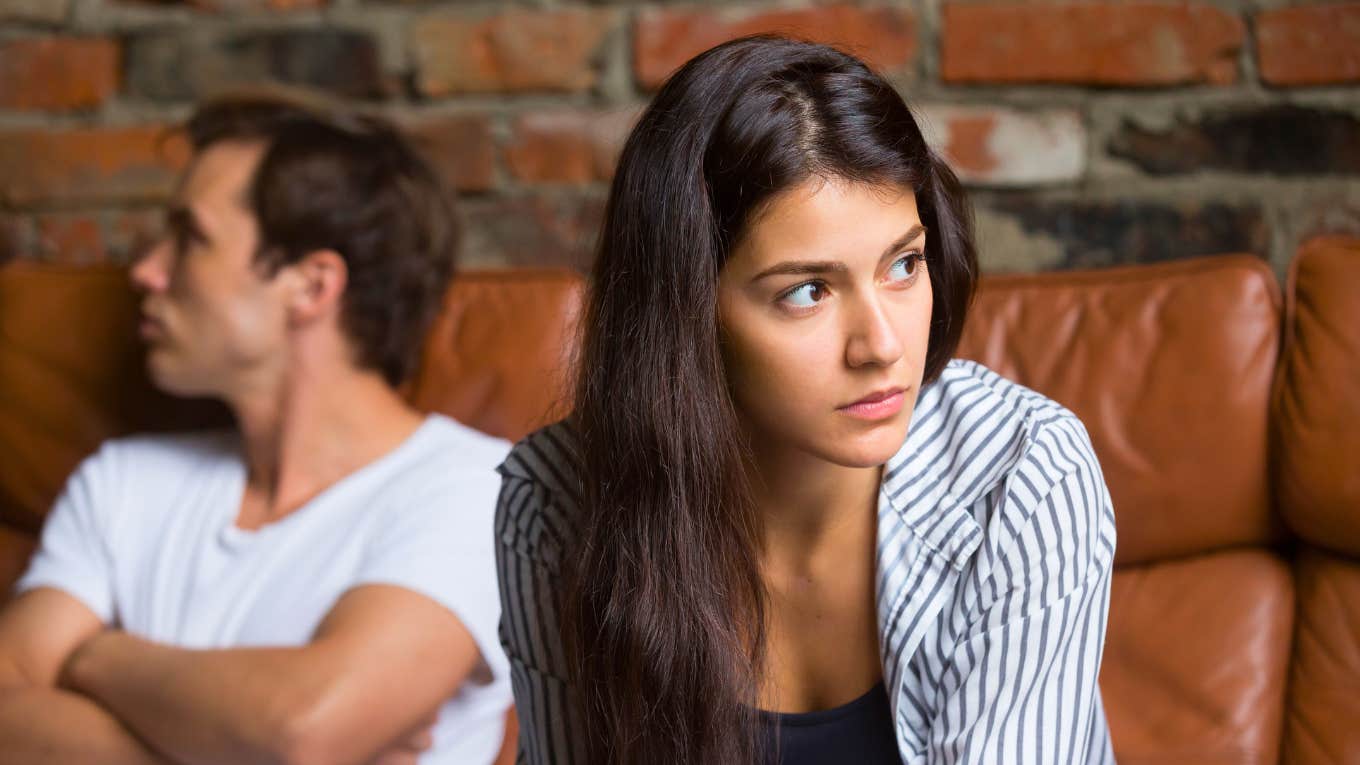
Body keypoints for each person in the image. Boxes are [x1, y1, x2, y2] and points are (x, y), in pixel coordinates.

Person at [495, 36, 1118, 765]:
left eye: (904, 264)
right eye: (807, 291)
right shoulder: (556, 506)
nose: (881, 346)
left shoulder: (1019, 477)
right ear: (686, 314)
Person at [0, 91, 511, 765]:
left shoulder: (481, 489)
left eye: (191, 238)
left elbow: (301, 730)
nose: (147, 271)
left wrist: (95, 656)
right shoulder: (123, 478)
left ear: (311, 284)